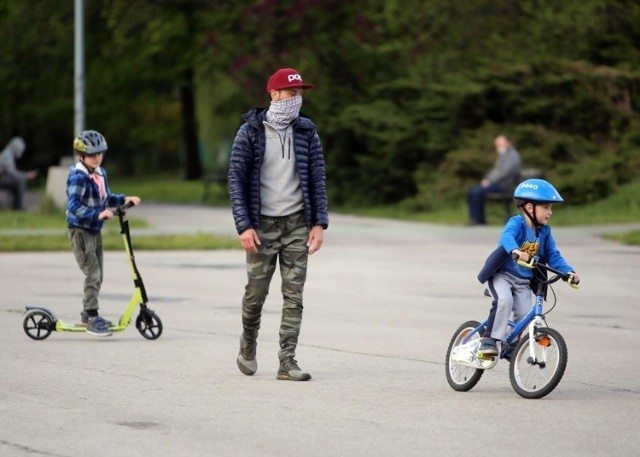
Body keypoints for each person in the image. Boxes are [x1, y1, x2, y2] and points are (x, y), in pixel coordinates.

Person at [228, 67, 329, 381]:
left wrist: (318, 223)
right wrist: (244, 226)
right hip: (262, 226)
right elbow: (236, 180)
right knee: (256, 294)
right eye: (291, 92)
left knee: (294, 295)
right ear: (273, 95)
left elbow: (317, 178)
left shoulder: (307, 131)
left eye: (299, 93)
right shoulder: (250, 132)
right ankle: (248, 342)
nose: (296, 98)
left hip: (297, 223)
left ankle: (287, 362)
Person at [476, 179, 580, 356]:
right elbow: (507, 237)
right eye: (546, 207)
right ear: (530, 208)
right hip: (503, 276)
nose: (550, 212)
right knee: (504, 301)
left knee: (525, 314)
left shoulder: (545, 232)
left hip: (523, 281)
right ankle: (489, 340)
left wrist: (568, 271)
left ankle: (511, 344)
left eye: (551, 208)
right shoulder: (516, 224)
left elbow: (553, 255)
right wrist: (516, 250)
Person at [66, 130, 141, 337]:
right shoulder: (78, 176)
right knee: (93, 273)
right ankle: (91, 317)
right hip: (81, 232)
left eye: (100, 154)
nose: (97, 158)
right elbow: (73, 206)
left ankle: (87, 314)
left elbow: (106, 198)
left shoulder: (100, 173)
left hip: (94, 230)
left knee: (99, 273)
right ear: (81, 156)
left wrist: (125, 199)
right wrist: (97, 214)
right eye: (92, 155)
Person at [467, 135, 521, 225]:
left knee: (476, 191)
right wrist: (487, 179)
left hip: (504, 186)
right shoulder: (503, 155)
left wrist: (490, 181)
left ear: (508, 143)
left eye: (500, 144)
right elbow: (496, 170)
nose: (498, 147)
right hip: (497, 184)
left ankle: (478, 219)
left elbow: (504, 172)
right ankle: (477, 219)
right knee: (472, 190)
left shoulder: (512, 155)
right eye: (497, 145)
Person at [0, 137, 38, 210]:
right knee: (19, 180)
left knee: (18, 180)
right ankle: (18, 207)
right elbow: (14, 174)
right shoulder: (7, 156)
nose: (21, 152)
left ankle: (16, 206)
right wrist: (27, 175)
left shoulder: (8, 155)